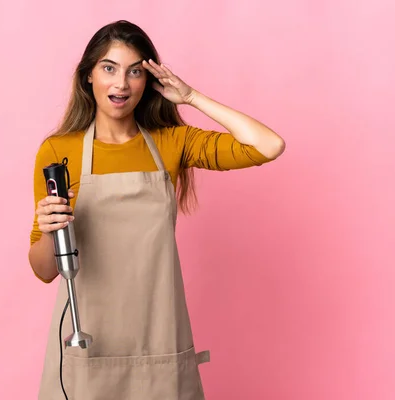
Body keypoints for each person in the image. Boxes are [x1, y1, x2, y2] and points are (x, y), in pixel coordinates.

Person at [29, 20, 285, 400]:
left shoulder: (173, 142)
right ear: (88, 77)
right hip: (88, 338)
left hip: (159, 338)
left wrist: (192, 97)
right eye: (109, 68)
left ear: (148, 81)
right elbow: (44, 271)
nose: (121, 84)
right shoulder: (58, 151)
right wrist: (51, 229)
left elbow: (268, 145)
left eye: (135, 71)